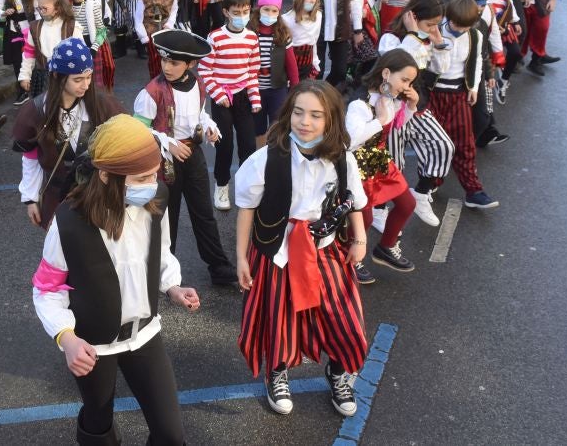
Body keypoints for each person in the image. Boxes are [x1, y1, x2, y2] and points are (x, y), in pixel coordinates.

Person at [31, 113, 200, 445]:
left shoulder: (156, 198)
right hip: (93, 343)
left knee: (170, 434)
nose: (151, 184)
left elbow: (161, 250)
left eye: (154, 174)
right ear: (106, 175)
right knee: (98, 420)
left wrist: (173, 286)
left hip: (144, 334)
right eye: (140, 178)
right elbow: (47, 290)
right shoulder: (68, 222)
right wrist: (67, 338)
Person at [234, 79, 368, 418]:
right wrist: (241, 257)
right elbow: (247, 207)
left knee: (343, 318)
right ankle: (277, 372)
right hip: (277, 249)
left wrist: (360, 239)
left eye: (316, 115)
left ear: (331, 119)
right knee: (279, 317)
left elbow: (353, 200)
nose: (305, 122)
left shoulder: (342, 160)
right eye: (298, 112)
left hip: (324, 247)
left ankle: (338, 371)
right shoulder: (267, 158)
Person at [132, 29, 238, 285]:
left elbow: (199, 114)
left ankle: (219, 268)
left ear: (190, 64)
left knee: (204, 213)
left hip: (193, 154)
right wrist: (169, 143)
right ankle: (161, 273)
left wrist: (209, 126)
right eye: (164, 60)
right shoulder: (151, 92)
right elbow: (137, 130)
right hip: (164, 160)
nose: (166, 67)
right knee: (166, 217)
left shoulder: (198, 84)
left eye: (174, 63)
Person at [12, 37, 122, 229]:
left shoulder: (102, 105)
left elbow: (124, 143)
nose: (86, 85)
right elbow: (30, 157)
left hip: (97, 194)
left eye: (89, 77)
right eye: (78, 79)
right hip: (58, 196)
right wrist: (30, 199)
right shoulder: (36, 111)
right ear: (57, 75)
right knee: (61, 245)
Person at [376, 0, 455, 232]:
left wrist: (438, 42)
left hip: (416, 105)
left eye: (436, 24)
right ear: (413, 17)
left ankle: (421, 192)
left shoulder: (427, 40)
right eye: (429, 24)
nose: (432, 29)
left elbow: (441, 69)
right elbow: (397, 64)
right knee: (393, 162)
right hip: (391, 108)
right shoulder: (392, 38)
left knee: (443, 145)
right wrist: (412, 35)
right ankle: (379, 208)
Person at [346, 50, 420, 284]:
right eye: (404, 80)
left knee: (407, 203)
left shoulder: (389, 97)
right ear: (386, 73)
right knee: (364, 219)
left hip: (378, 159)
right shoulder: (360, 104)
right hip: (357, 165)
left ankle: (385, 247)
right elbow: (351, 140)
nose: (406, 87)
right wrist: (378, 119)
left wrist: (411, 106)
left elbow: (396, 124)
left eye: (410, 82)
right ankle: (349, 259)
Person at [427, 0, 498, 210]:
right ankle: (430, 182)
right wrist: (437, 43)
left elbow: (476, 62)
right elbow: (428, 65)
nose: (459, 29)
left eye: (465, 26)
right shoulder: (434, 31)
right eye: (456, 24)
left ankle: (473, 191)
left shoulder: (475, 35)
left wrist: (473, 87)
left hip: (459, 94)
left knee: (465, 144)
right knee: (434, 143)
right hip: (433, 94)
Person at [198, 0, 261, 211]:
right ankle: (222, 185)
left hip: (243, 96)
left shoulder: (252, 38)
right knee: (224, 145)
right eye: (236, 12)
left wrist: (255, 98)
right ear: (225, 12)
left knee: (248, 145)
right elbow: (205, 70)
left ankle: (245, 187)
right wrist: (218, 94)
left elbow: (252, 72)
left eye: (245, 11)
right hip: (222, 97)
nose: (241, 16)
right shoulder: (215, 37)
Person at [248, 0, 298, 146]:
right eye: (266, 9)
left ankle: (274, 152)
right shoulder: (249, 32)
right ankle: (260, 153)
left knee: (277, 124)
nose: (270, 14)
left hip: (277, 88)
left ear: (278, 13)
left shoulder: (283, 34)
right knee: (257, 127)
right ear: (259, 9)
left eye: (274, 11)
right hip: (255, 89)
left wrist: (295, 90)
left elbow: (291, 65)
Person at [19, 0, 83, 100]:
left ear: (57, 8)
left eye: (45, 8)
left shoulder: (72, 26)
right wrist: (24, 76)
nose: (41, 12)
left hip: (66, 78)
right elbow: (29, 54)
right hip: (43, 79)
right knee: (45, 108)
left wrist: (80, 78)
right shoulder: (34, 27)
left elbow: (81, 55)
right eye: (39, 8)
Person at [0, 0, 38, 105]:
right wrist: (3, 12)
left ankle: (34, 88)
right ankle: (22, 92)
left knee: (32, 61)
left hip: (30, 32)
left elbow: (38, 11)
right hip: (14, 31)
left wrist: (38, 26)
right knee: (18, 62)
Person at [66, 0, 113, 90]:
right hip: (76, 49)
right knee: (78, 83)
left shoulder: (92, 5)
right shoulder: (67, 7)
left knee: (96, 84)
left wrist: (94, 48)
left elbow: (102, 30)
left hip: (92, 47)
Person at [134, 0, 178, 78]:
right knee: (154, 60)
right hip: (150, 32)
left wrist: (169, 24)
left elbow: (174, 10)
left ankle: (167, 80)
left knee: (167, 57)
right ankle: (155, 82)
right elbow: (138, 18)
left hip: (165, 30)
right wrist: (143, 36)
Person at [283, 0, 323, 80]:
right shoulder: (286, 19)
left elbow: (314, 41)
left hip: (307, 63)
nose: (313, 0)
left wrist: (315, 62)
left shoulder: (318, 16)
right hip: (291, 63)